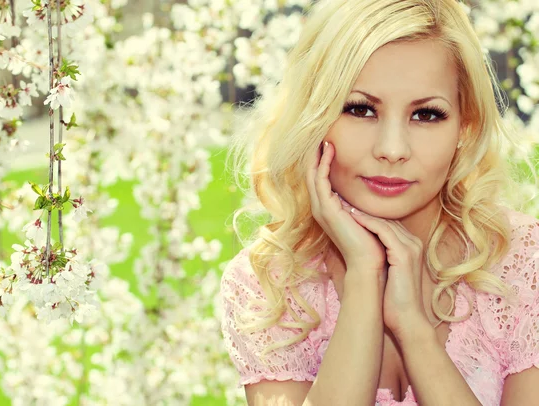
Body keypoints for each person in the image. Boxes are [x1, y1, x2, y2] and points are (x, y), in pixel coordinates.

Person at [219, 0, 539, 405]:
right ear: (314, 117)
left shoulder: (525, 263)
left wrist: (414, 331)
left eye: (426, 115)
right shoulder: (269, 284)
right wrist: (363, 280)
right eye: (360, 109)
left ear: (466, 125)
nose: (392, 149)